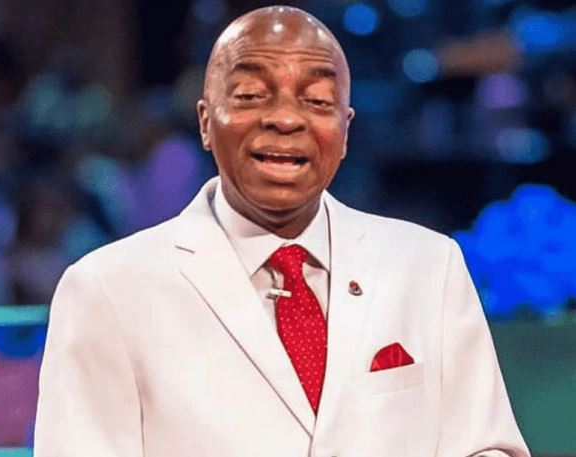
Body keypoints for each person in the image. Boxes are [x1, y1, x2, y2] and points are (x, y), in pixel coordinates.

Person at [34, 6, 530, 457]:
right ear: (205, 122)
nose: (286, 119)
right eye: (251, 95)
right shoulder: (107, 288)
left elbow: (487, 447)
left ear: (345, 130)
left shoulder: (429, 266)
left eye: (317, 100)